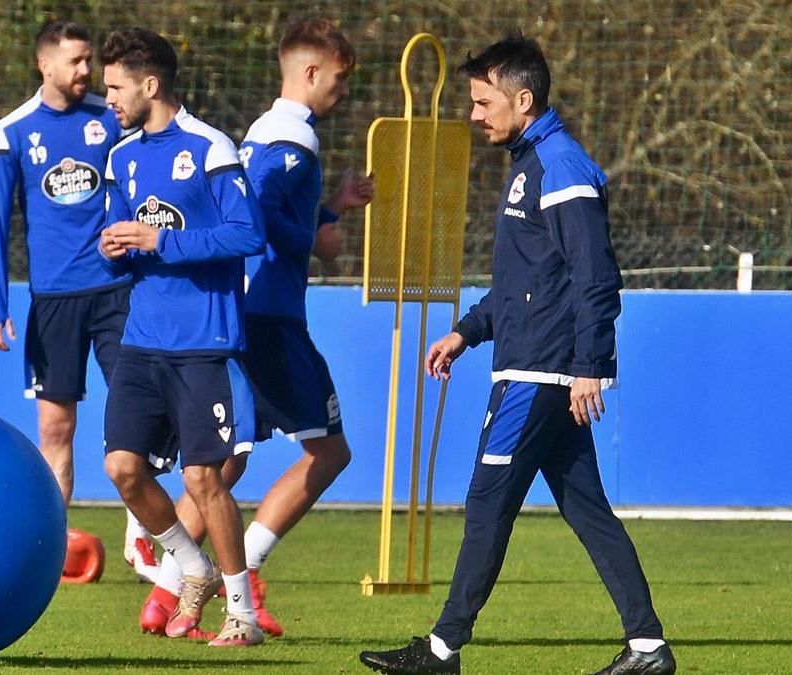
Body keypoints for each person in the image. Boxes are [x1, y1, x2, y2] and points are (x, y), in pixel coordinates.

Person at [358, 37, 675, 675]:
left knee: (486, 504)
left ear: (522, 100)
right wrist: (466, 332)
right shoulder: (533, 163)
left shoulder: (560, 167)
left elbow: (595, 278)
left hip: (540, 374)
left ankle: (443, 650)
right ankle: (648, 647)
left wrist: (591, 367)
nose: (474, 114)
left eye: (483, 101)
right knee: (589, 511)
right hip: (540, 367)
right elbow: (524, 281)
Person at [136, 16, 373, 639]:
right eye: (341, 80)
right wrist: (316, 238)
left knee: (225, 463)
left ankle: (165, 594)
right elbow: (260, 215)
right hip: (272, 315)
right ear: (311, 72)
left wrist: (330, 206)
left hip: (250, 311)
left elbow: (259, 205)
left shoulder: (269, 132)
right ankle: (249, 570)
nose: (344, 93)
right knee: (330, 451)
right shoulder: (290, 141)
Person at [97, 27, 267, 647]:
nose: (107, 98)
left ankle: (243, 615)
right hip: (142, 341)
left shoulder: (212, 147)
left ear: (151, 84)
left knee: (203, 479)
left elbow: (247, 235)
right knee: (121, 465)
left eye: (115, 87)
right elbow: (121, 244)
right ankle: (190, 568)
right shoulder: (120, 157)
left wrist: (159, 241)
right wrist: (113, 248)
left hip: (203, 343)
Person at [0, 19, 158, 584]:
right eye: (77, 61)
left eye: (89, 62)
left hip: (116, 292)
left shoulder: (112, 120)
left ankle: (142, 536)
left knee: (139, 415)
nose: (87, 72)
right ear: (45, 65)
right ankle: (53, 547)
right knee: (56, 430)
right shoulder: (11, 132)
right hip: (53, 302)